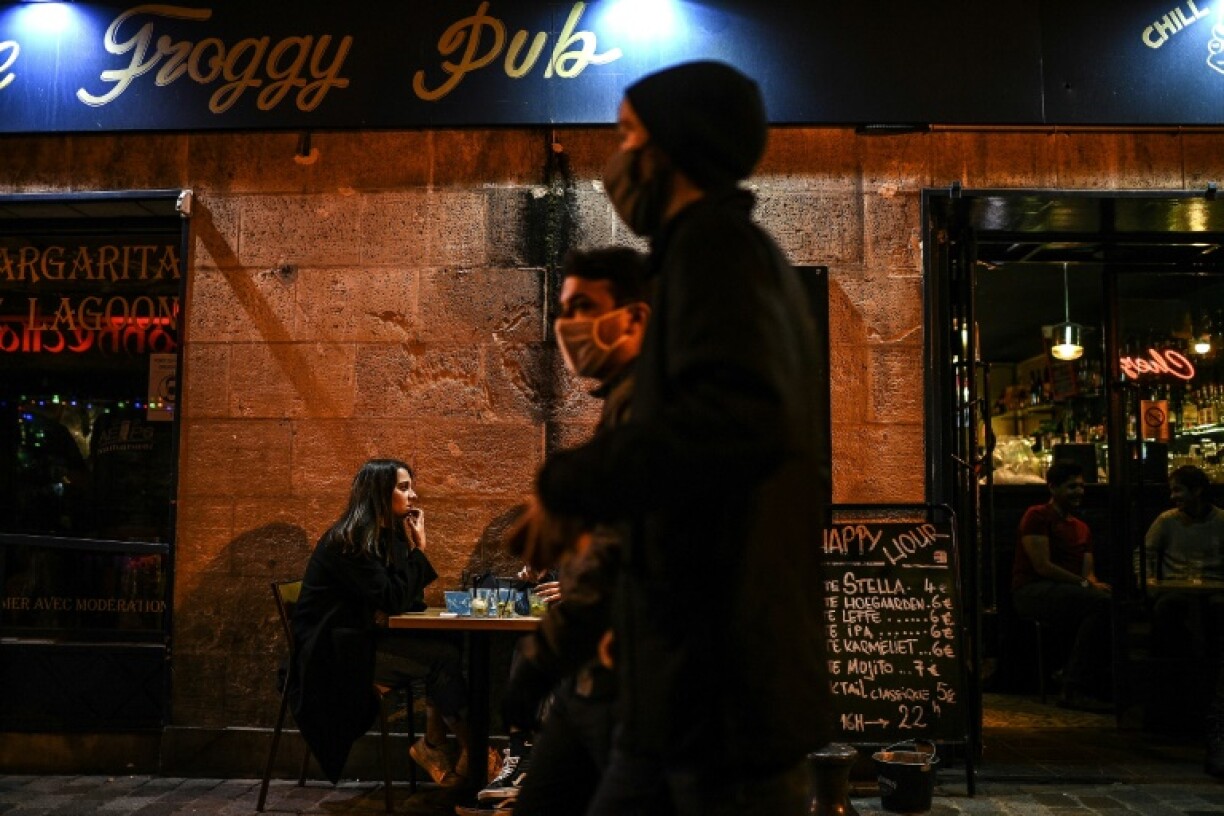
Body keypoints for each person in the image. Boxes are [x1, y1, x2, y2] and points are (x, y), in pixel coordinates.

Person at [532, 61, 833, 815]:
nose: (616, 158)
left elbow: (726, 423)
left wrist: (567, 486)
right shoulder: (716, 253)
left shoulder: (714, 250)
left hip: (719, 685)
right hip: (684, 685)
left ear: (668, 148)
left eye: (627, 134)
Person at [480, 246, 651, 812]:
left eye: (584, 307)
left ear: (636, 318)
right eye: (564, 310)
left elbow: (619, 554)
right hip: (603, 677)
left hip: (642, 687)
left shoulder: (656, 404)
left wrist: (541, 657)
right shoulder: (627, 404)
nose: (568, 326)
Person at [289, 458, 471, 788]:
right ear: (378, 493)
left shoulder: (382, 536)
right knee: (442, 658)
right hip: (333, 658)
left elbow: (405, 601)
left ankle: (436, 745)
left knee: (450, 644)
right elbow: (393, 598)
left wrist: (409, 548)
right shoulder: (351, 541)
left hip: (360, 642)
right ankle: (469, 749)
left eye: (410, 487)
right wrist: (420, 550)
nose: (413, 495)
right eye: (404, 488)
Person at [1141, 464, 1224, 776]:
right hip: (1175, 587)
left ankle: (1208, 678)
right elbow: (1146, 554)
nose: (1173, 496)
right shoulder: (1166, 521)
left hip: (1214, 588)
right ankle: (1175, 677)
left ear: (1197, 491)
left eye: (1178, 490)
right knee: (1169, 610)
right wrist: (1148, 582)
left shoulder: (1220, 521)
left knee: (1218, 611)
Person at [1011, 459, 1112, 711]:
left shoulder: (1082, 528)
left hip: (1067, 592)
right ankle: (1073, 686)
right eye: (1071, 487)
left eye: (1081, 486)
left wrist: (1093, 584)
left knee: (1111, 603)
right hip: (1032, 590)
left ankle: (1078, 676)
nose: (1079, 492)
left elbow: (1088, 573)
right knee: (1100, 605)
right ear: (1053, 488)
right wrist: (1085, 586)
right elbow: (1042, 566)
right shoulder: (1037, 515)